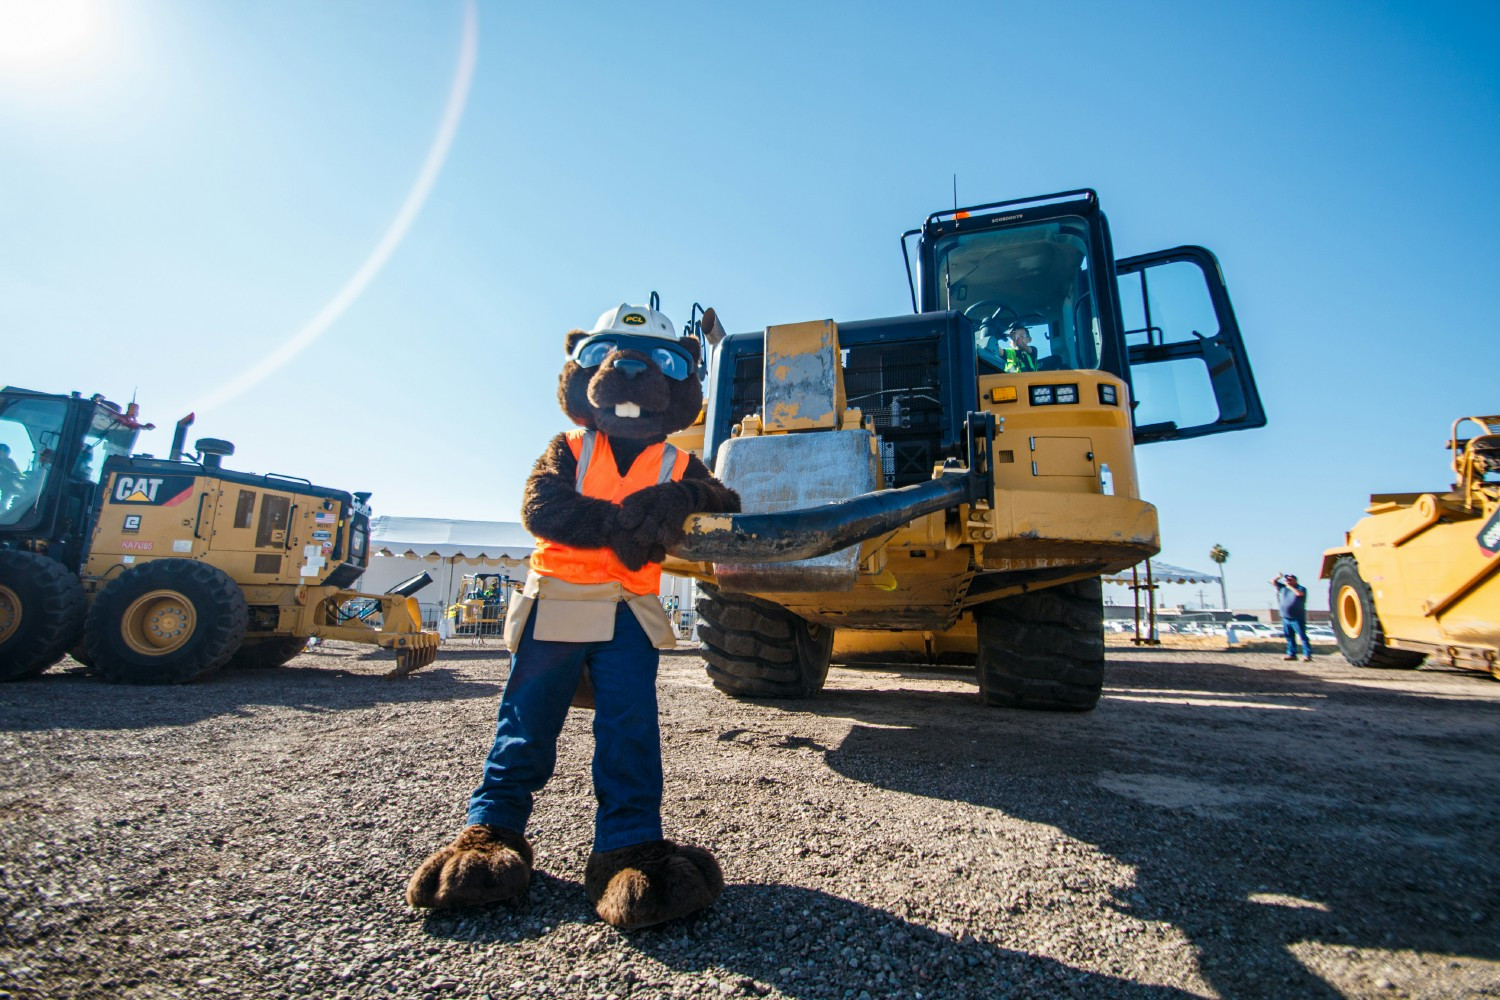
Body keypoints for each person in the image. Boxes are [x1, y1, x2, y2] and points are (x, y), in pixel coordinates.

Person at [1273, 573, 1313, 661]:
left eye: (1290, 580)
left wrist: (1289, 586)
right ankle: (1291, 654)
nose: (1288, 581)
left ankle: (1307, 655)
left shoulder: (1301, 588)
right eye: (1287, 580)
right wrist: (1278, 577)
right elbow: (1274, 582)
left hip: (1297, 617)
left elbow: (1299, 594)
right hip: (1285, 617)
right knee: (1289, 637)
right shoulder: (1283, 588)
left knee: (1302, 636)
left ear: (1295, 580)